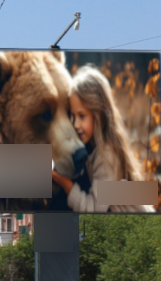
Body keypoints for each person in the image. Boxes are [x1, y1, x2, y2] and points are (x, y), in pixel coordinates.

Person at [51, 65, 151, 213]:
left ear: (98, 114)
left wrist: (66, 185)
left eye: (82, 116)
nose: (75, 124)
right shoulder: (98, 146)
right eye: (73, 116)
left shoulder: (106, 154)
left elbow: (93, 209)